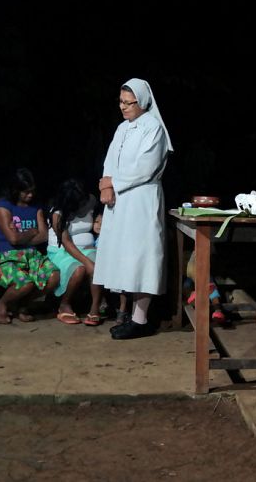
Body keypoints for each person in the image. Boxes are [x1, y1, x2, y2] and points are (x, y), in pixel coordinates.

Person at [95, 78, 173, 340]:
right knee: (123, 254)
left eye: (129, 102)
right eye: (121, 102)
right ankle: (127, 314)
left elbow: (145, 168)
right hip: (119, 201)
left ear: (143, 102)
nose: (123, 107)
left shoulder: (154, 129)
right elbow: (110, 159)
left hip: (141, 199)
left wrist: (112, 183)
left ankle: (141, 319)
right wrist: (106, 186)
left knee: (142, 255)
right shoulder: (121, 129)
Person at [0, 168, 59, 324]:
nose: (30, 195)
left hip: (30, 255)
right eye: (25, 192)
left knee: (53, 276)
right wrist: (32, 232)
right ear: (15, 190)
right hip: (2, 256)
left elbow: (43, 235)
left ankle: (22, 305)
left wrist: (21, 237)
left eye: (32, 191)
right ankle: (2, 304)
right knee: (24, 282)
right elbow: (12, 239)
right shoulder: (2, 206)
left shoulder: (36, 208)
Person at [46, 179, 103, 326]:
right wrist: (86, 261)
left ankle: (95, 307)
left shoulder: (91, 201)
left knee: (97, 265)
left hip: (87, 247)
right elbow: (67, 243)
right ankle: (64, 304)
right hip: (62, 251)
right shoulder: (57, 214)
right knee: (79, 269)